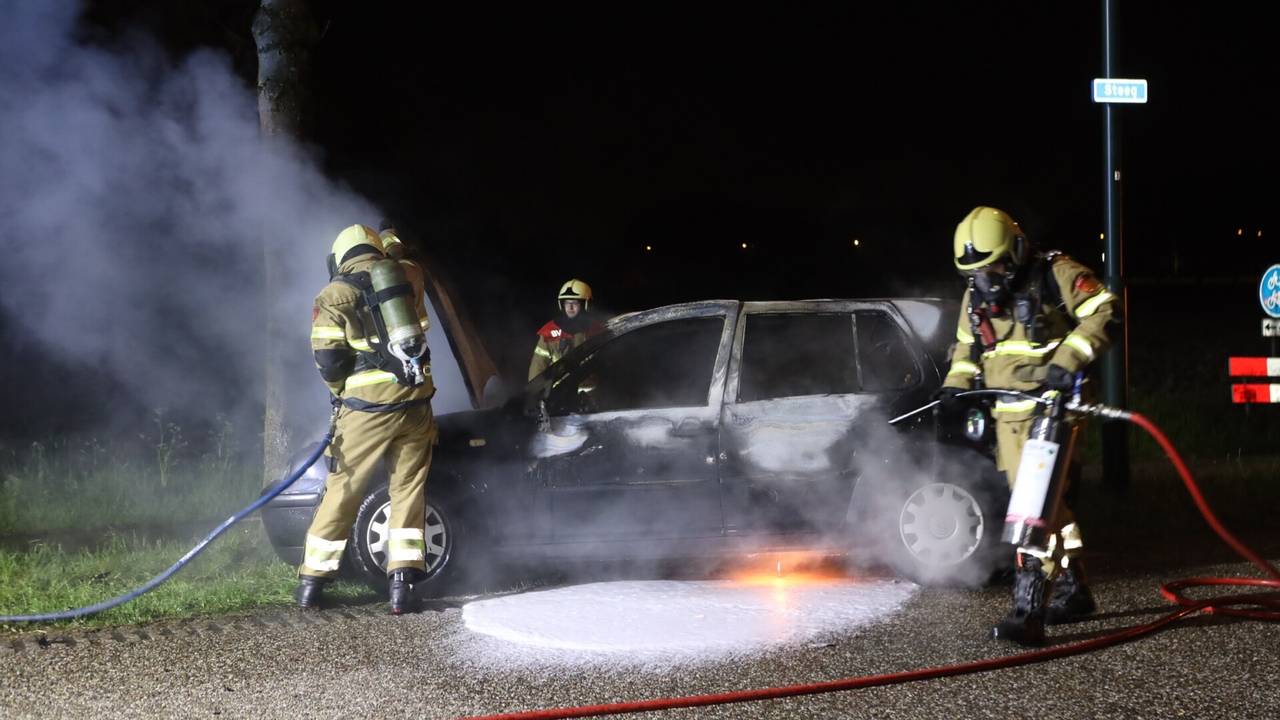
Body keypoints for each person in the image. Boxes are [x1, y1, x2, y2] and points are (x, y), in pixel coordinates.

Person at [935, 206, 1118, 646]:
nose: (986, 281)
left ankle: (1028, 613)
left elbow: (1105, 311)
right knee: (1057, 511)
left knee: (1033, 510)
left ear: (1015, 252)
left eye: (992, 268)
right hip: (1008, 418)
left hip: (1052, 410)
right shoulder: (976, 295)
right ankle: (1074, 591)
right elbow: (967, 348)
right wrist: (955, 387)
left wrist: (1067, 362)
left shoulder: (1055, 274)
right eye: (975, 273)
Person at [296, 223, 437, 615]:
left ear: (340, 258)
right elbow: (403, 259)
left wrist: (340, 392)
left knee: (343, 489)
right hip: (414, 403)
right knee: (407, 490)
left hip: (365, 411)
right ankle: (403, 588)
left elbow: (328, 360)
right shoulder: (409, 275)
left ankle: (312, 583)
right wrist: (392, 242)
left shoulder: (332, 295)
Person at [527, 278, 604, 381]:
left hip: (590, 388)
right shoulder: (549, 332)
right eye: (567, 303)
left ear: (585, 304)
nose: (570, 307)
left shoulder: (595, 330)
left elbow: (604, 362)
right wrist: (536, 389)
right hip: (560, 388)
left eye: (575, 303)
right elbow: (538, 366)